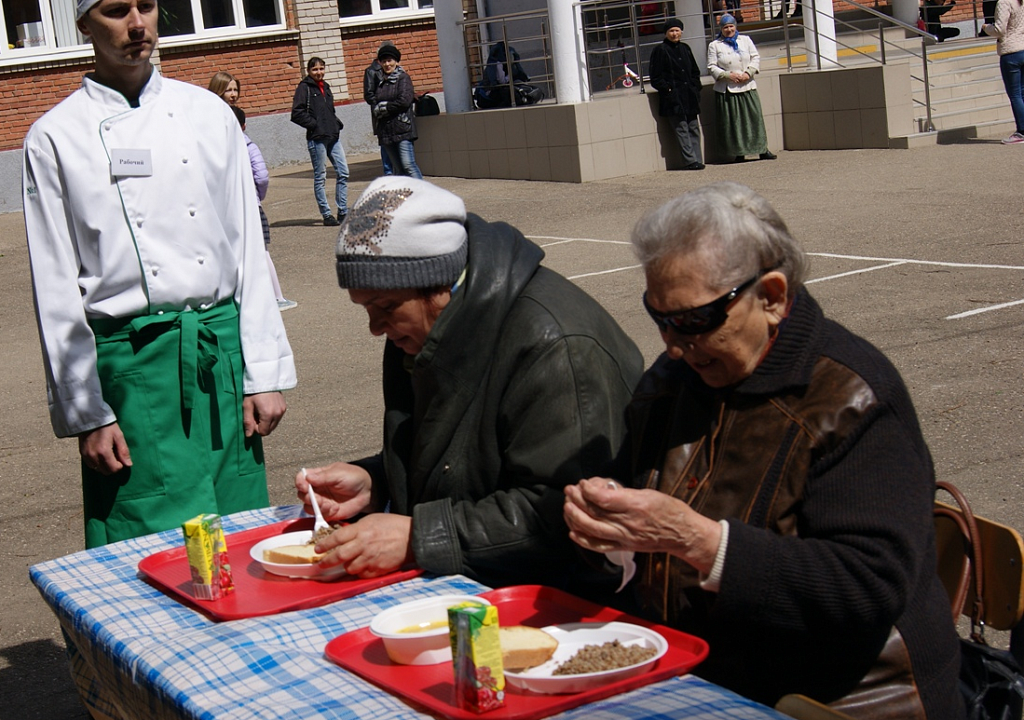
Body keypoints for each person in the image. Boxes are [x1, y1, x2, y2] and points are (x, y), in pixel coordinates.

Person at [562, 183, 964, 717]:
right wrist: (603, 523)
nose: (672, 344)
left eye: (692, 320)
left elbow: (869, 587)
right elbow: (634, 499)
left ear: (771, 297)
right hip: (698, 670)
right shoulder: (674, 379)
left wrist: (703, 544)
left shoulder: (853, 397)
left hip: (842, 696)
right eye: (658, 317)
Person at [22, 0, 297, 549]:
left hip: (217, 357)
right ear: (83, 24)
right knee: (148, 544)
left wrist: (262, 371)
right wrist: (87, 413)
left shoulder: (207, 113)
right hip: (132, 369)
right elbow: (54, 285)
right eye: (115, 10)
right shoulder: (55, 137)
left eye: (145, 5)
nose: (136, 23)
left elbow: (246, 247)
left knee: (239, 535)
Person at [296, 176, 644, 588]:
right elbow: (457, 457)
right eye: (365, 307)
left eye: (385, 307)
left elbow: (563, 511)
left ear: (440, 287)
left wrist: (418, 537)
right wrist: (378, 481)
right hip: (476, 577)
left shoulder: (557, 345)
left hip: (559, 599)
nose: (375, 327)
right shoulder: (425, 326)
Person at [231, 105, 297, 311]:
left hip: (229, 209)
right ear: (243, 126)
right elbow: (261, 176)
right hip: (251, 206)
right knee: (262, 251)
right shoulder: (249, 146)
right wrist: (258, 196)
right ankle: (277, 297)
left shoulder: (216, 148)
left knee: (235, 252)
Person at [707, 15, 776, 163]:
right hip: (728, 88)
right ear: (721, 29)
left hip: (747, 85)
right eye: (725, 27)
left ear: (735, 26)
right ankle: (739, 152)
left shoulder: (745, 40)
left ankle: (762, 149)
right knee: (735, 122)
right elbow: (711, 66)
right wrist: (727, 75)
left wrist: (748, 73)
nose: (729, 30)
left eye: (731, 26)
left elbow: (755, 57)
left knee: (754, 118)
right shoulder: (715, 45)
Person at [290, 57, 350, 227]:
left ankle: (343, 210)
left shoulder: (327, 86)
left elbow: (329, 109)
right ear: (309, 71)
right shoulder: (304, 88)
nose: (319, 72)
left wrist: (335, 123)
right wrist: (315, 125)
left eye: (321, 69)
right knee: (320, 176)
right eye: (315, 69)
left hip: (333, 135)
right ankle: (326, 214)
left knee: (343, 172)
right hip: (317, 138)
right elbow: (297, 113)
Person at [649, 18, 705, 170]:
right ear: (666, 33)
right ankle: (690, 161)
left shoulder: (685, 48)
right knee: (681, 128)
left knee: (693, 127)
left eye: (677, 30)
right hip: (673, 98)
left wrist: (695, 86)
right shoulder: (660, 50)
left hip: (689, 95)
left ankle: (698, 158)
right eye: (671, 31)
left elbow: (694, 71)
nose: (675, 34)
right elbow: (656, 77)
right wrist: (668, 89)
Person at [370, 44, 423, 179]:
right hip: (386, 131)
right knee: (398, 169)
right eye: (384, 61)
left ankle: (424, 194)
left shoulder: (403, 78)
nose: (387, 64)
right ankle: (406, 198)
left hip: (403, 129)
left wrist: (385, 108)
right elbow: (374, 99)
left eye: (390, 60)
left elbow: (404, 101)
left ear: (396, 61)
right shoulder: (380, 80)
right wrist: (378, 108)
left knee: (408, 165)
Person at [984, 0, 1024, 144]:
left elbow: (999, 30)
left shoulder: (1004, 2)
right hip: (1023, 47)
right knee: (1022, 92)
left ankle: (1022, 131)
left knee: (1015, 94)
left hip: (1010, 51)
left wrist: (987, 28)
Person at [362, 41, 396, 176]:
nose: (388, 63)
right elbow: (369, 95)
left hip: (396, 116)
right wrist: (382, 105)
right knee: (386, 148)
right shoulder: (372, 71)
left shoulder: (397, 70)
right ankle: (388, 176)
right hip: (382, 116)